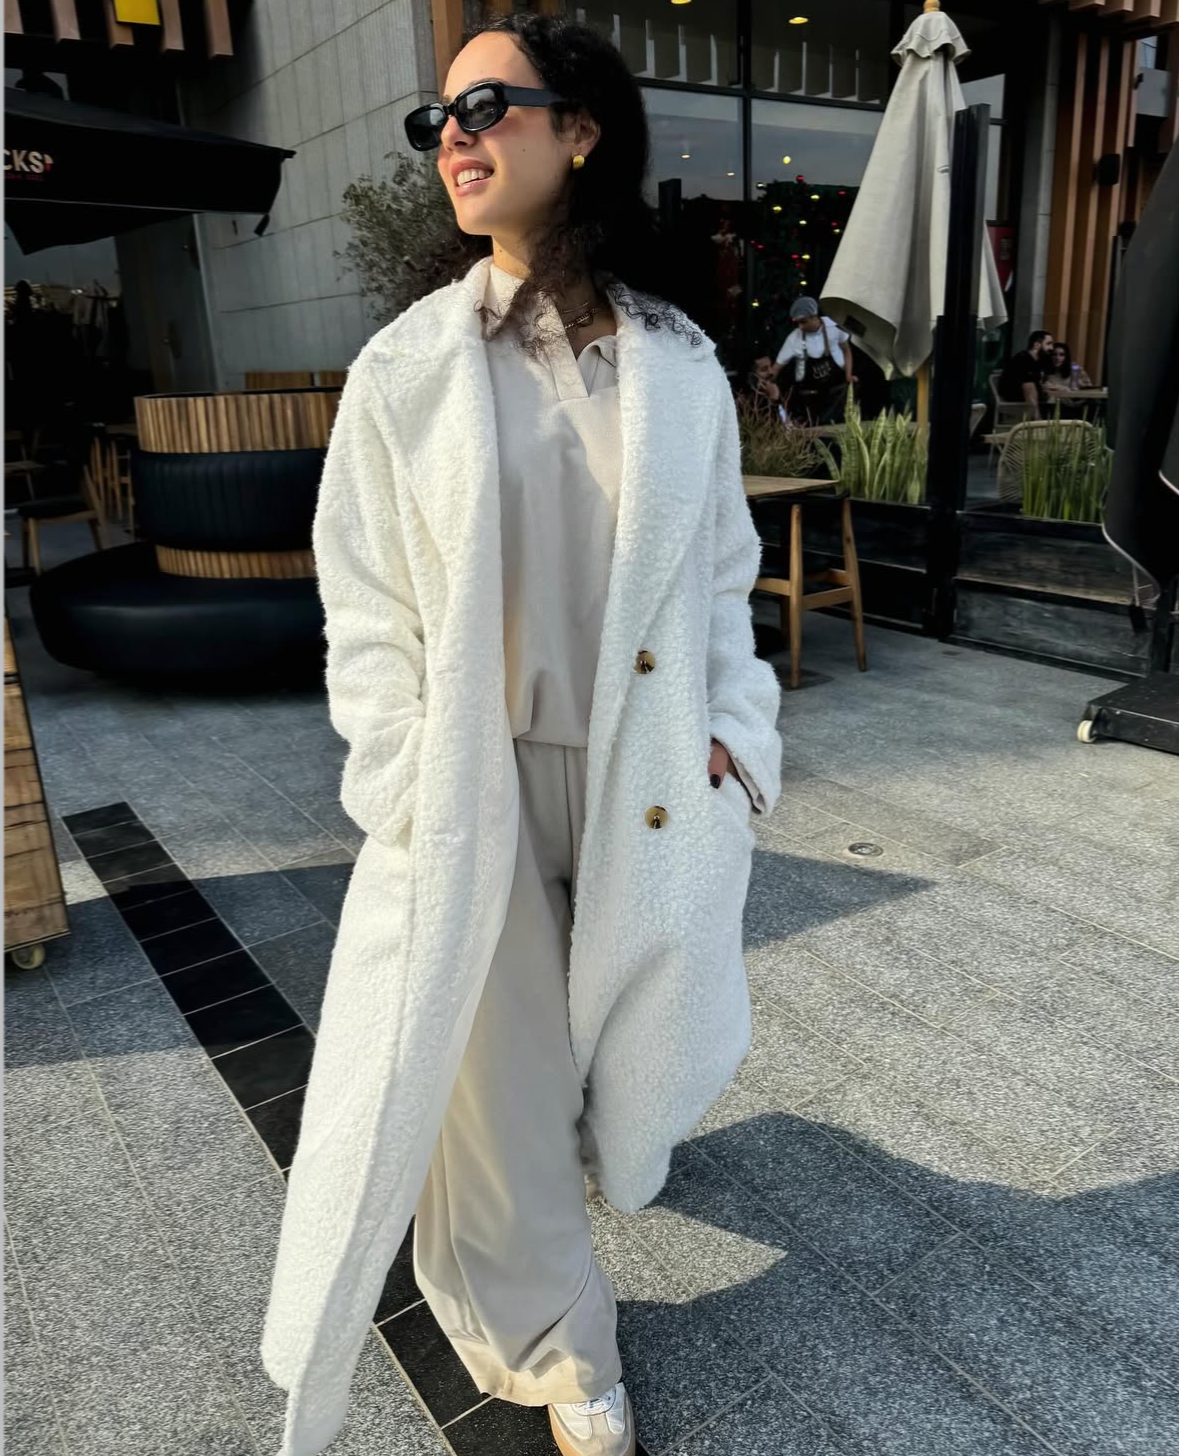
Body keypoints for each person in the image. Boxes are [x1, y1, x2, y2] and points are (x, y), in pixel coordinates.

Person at [259, 15, 783, 1456]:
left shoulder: (677, 361)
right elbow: (362, 600)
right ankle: (561, 1346)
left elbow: (721, 576)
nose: (454, 136)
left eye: (487, 104)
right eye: (436, 117)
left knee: (630, 1047)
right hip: (472, 777)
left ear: (581, 130)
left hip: (641, 770)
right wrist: (396, 772)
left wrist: (736, 736)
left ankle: (585, 1180)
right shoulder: (406, 370)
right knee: (493, 1076)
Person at [771, 296, 854, 424]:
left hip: (836, 396)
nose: (800, 326)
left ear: (814, 316)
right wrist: (768, 380)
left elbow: (846, 351)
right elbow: (777, 367)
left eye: (804, 322)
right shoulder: (794, 338)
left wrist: (848, 374)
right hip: (810, 400)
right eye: (797, 322)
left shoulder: (834, 327)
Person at [998, 328, 1054, 418]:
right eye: (1048, 344)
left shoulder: (1039, 361)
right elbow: (1029, 389)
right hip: (1017, 401)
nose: (1051, 348)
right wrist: (1037, 420)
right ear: (1036, 345)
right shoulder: (1023, 360)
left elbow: (1043, 382)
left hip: (1034, 399)